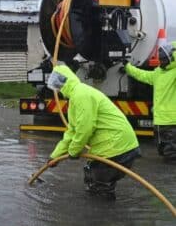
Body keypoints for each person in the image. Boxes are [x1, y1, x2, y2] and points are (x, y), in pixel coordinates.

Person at [47, 65, 140, 199]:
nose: (58, 89)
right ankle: (101, 207)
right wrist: (55, 156)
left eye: (58, 86)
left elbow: (85, 129)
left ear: (65, 81)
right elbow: (72, 132)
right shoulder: (75, 98)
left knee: (100, 183)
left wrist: (73, 151)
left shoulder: (81, 94)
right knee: (92, 175)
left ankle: (102, 210)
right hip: (114, 145)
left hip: (116, 146)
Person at [123, 41, 176, 162]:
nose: (161, 62)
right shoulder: (158, 73)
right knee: (162, 147)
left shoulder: (174, 74)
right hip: (159, 120)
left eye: (164, 59)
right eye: (160, 59)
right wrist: (127, 67)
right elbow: (142, 75)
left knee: (171, 153)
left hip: (171, 121)